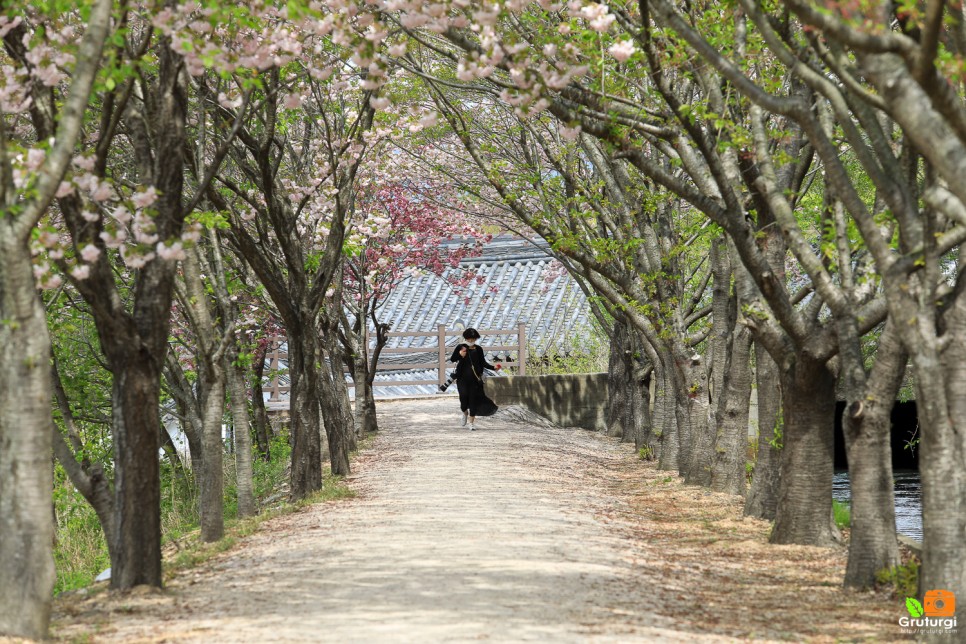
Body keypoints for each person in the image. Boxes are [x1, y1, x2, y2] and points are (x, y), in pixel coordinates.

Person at [449, 327, 501, 430]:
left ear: (476, 339)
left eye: (473, 339)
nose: (471, 341)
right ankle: (464, 413)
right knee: (463, 401)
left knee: (473, 401)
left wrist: (493, 368)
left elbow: (483, 363)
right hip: (462, 379)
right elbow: (452, 359)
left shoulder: (478, 349)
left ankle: (471, 423)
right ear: (466, 338)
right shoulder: (461, 347)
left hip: (475, 380)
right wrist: (460, 355)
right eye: (469, 339)